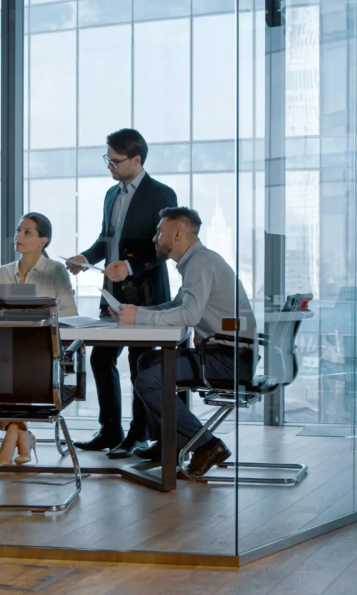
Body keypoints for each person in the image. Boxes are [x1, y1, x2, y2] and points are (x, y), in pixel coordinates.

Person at [117, 207, 257, 478]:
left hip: (230, 359)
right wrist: (135, 312)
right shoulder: (198, 262)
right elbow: (178, 305)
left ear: (178, 232)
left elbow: (189, 314)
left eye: (160, 231)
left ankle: (207, 444)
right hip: (224, 353)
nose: (155, 238)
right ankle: (171, 443)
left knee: (148, 380)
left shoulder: (200, 262)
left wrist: (140, 316)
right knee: (148, 360)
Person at [67, 128, 177, 457]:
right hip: (112, 292)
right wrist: (86, 258)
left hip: (145, 292)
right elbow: (106, 239)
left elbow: (164, 247)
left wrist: (129, 267)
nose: (109, 166)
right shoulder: (111, 195)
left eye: (114, 160)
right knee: (101, 357)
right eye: (108, 159)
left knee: (139, 361)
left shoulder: (161, 194)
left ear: (137, 160)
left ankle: (138, 435)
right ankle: (110, 429)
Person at [0, 212, 78, 465]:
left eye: (27, 232)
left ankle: (13, 436)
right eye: (18, 230)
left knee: (13, 368)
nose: (18, 236)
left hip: (41, 354)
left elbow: (70, 314)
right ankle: (20, 434)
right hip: (6, 351)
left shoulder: (56, 272)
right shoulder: (2, 273)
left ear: (43, 241)